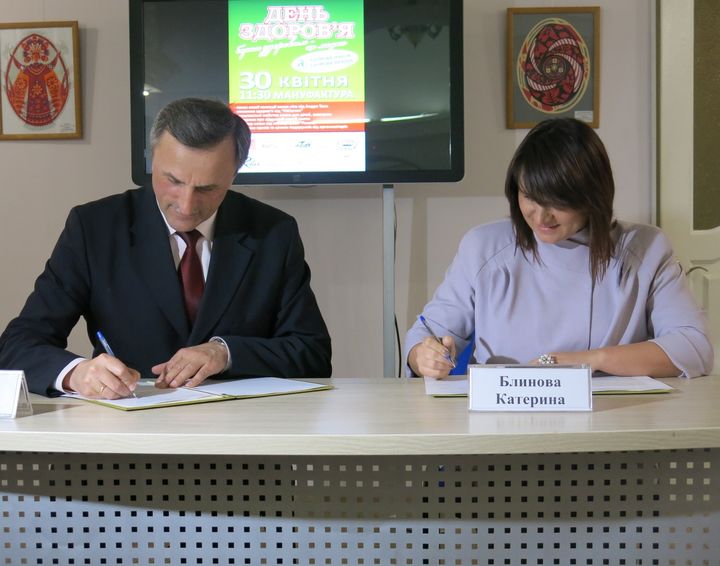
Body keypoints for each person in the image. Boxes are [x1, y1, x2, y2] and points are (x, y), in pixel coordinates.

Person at [0, 98, 332, 398]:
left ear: (235, 174)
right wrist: (76, 373)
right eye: (173, 181)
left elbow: (312, 353)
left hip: (242, 429)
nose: (186, 205)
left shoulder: (274, 232)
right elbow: (17, 345)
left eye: (207, 188)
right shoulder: (94, 228)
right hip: (129, 428)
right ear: (152, 157)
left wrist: (225, 353)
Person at [404, 118, 713, 379]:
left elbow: (694, 348)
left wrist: (589, 360)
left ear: (592, 196)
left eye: (557, 202)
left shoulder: (645, 249)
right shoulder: (483, 247)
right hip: (503, 420)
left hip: (611, 419)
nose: (541, 217)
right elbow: (424, 335)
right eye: (529, 197)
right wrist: (424, 356)